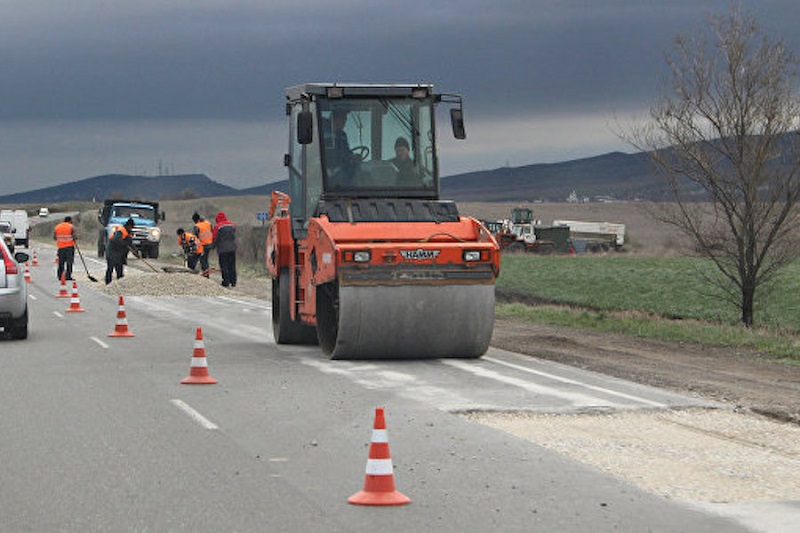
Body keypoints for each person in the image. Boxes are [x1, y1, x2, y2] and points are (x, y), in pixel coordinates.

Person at [326, 109, 359, 184]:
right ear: (335, 119)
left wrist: (353, 156)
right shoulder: (323, 135)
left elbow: (347, 152)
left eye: (345, 119)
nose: (345, 122)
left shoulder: (342, 135)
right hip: (332, 172)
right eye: (342, 119)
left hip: (343, 168)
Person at [105, 218, 134, 285]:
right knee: (110, 268)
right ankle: (108, 283)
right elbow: (116, 240)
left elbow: (130, 244)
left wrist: (135, 251)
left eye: (132, 227)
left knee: (119, 267)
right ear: (127, 225)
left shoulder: (128, 233)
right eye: (130, 227)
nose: (131, 228)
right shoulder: (120, 231)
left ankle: (120, 282)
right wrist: (125, 244)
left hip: (120, 253)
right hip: (112, 251)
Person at [212, 211, 237, 287]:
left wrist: (213, 246)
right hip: (232, 248)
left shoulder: (217, 227)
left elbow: (215, 238)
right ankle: (233, 281)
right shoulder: (232, 225)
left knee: (224, 265)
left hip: (222, 249)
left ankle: (226, 281)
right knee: (232, 265)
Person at [53, 216, 76, 281]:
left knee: (61, 262)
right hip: (69, 247)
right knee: (69, 262)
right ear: (70, 221)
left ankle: (60, 276)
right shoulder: (71, 227)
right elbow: (75, 236)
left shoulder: (57, 227)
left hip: (61, 247)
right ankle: (68, 276)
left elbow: (54, 237)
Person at [191, 212, 213, 278]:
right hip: (210, 244)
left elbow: (194, 237)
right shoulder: (208, 223)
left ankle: (206, 275)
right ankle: (206, 273)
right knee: (205, 259)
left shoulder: (197, 226)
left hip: (203, 245)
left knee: (203, 260)